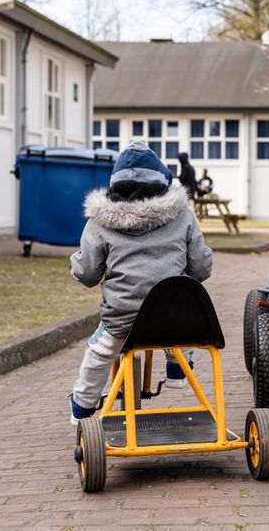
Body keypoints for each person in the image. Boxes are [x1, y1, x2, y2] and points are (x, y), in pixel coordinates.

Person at [68, 141, 213, 424]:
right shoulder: (182, 214)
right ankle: (177, 371)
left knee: (98, 351)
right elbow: (201, 268)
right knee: (183, 307)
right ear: (163, 179)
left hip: (123, 318)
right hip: (174, 317)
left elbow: (87, 274)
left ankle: (82, 407)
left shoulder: (100, 221)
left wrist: (76, 261)